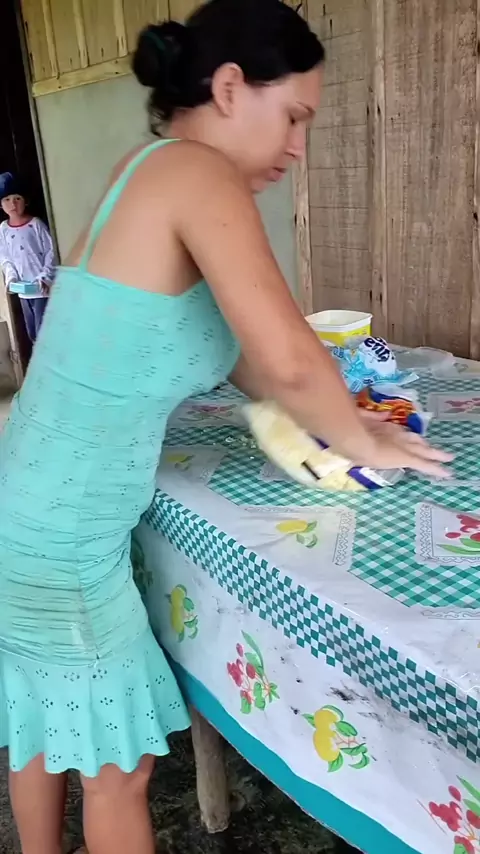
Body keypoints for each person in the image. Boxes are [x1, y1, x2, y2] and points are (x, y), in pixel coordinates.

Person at [0, 1, 452, 853]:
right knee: (119, 768)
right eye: (294, 117)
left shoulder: (149, 172)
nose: (298, 146)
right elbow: (288, 359)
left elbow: (247, 357)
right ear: (232, 87)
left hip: (32, 505)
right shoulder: (196, 174)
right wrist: (364, 440)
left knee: (50, 722)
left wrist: (341, 413)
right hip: (63, 537)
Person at [0, 172, 55, 343]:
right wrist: (11, 278)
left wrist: (45, 277)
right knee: (32, 332)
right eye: (7, 199)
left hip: (42, 289)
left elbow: (51, 251)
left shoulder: (36, 224)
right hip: (23, 291)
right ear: (1, 204)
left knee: (43, 332)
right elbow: (5, 257)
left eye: (17, 198)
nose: (13, 204)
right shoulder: (3, 229)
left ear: (25, 201)